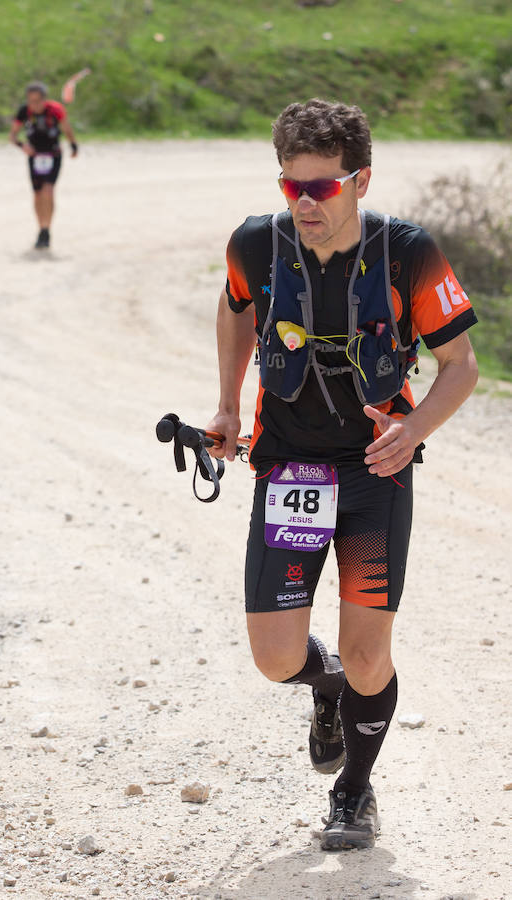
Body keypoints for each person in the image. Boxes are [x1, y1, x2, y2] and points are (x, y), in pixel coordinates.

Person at [207, 98, 478, 850]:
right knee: (275, 659)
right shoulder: (257, 246)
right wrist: (227, 406)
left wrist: (414, 428)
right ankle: (323, 688)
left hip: (371, 477)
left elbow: (461, 366)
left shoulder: (408, 253)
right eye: (290, 185)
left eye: (321, 188)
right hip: (287, 469)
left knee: (367, 654)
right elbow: (234, 306)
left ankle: (353, 791)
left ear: (361, 180)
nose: (303, 204)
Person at [9, 81, 78, 249]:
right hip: (34, 157)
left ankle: (47, 228)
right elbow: (13, 135)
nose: (35, 105)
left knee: (48, 191)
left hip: (53, 155)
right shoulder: (24, 111)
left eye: (37, 100)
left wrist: (73, 145)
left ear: (44, 99)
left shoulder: (55, 110)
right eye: (31, 101)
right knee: (37, 195)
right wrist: (22, 146)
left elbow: (66, 128)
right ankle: (41, 228)